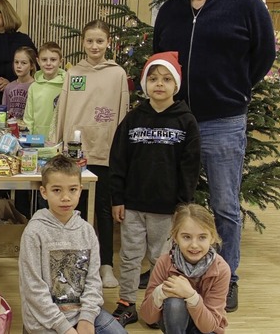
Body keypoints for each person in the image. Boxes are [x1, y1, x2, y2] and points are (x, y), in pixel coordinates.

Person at [153, 0, 276, 312]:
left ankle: (228, 275)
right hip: (176, 119)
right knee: (175, 201)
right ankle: (173, 270)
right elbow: (161, 57)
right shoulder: (171, 9)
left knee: (224, 205)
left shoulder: (243, 3)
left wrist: (236, 88)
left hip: (224, 120)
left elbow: (265, 53)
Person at [109, 52, 202, 327]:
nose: (159, 84)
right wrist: (118, 198)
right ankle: (127, 303)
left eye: (165, 79)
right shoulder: (133, 118)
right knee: (129, 256)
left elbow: (190, 167)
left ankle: (155, 305)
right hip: (133, 204)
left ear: (176, 85)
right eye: (153, 79)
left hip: (168, 208)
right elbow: (118, 160)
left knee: (161, 259)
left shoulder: (186, 121)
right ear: (144, 84)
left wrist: (183, 207)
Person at [52, 20, 129, 289]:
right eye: (89, 41)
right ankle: (76, 263)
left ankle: (106, 264)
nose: (94, 46)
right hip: (75, 152)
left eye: (100, 41)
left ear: (108, 43)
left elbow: (122, 113)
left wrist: (120, 150)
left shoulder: (117, 74)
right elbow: (62, 110)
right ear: (82, 43)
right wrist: (56, 142)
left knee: (104, 212)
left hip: (104, 151)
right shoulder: (73, 73)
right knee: (76, 209)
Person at [19, 155, 127, 334]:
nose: (65, 197)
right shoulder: (34, 232)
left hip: (81, 313)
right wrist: (65, 328)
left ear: (80, 190)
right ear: (43, 192)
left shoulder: (87, 231)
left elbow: (93, 281)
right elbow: (34, 290)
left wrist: (86, 318)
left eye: (72, 189)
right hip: (45, 320)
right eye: (56, 190)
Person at [141, 203, 230, 333]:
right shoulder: (164, 262)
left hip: (208, 329)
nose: (194, 245)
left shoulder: (221, 269)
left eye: (202, 237)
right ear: (175, 237)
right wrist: (161, 292)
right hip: (175, 325)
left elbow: (209, 327)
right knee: (174, 303)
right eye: (186, 237)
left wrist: (191, 295)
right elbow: (148, 317)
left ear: (212, 238)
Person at [23, 42, 66, 137]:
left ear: (61, 61)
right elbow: (28, 117)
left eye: (53, 59)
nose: (48, 63)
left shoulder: (66, 85)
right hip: (37, 139)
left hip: (59, 138)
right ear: (38, 61)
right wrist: (27, 137)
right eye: (44, 59)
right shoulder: (33, 87)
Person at [2, 46, 36, 120]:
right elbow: (5, 112)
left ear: (32, 66)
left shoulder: (35, 86)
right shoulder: (9, 87)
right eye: (16, 62)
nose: (18, 66)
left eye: (23, 63)